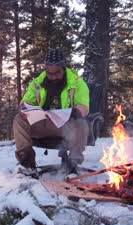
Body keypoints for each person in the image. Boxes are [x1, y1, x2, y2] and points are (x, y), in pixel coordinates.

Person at [13, 48, 90, 177]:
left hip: (65, 124)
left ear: (64, 68)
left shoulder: (77, 83)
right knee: (19, 120)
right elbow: (26, 101)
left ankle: (72, 164)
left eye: (57, 73)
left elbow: (84, 105)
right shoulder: (37, 83)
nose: (53, 76)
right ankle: (27, 163)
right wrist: (24, 108)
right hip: (43, 122)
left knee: (81, 124)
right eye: (50, 73)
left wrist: (77, 112)